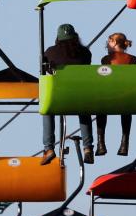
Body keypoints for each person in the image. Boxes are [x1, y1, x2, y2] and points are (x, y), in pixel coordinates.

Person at [41, 23, 95, 163]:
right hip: (79, 96)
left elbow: (44, 72)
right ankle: (88, 147)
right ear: (75, 36)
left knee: (47, 110)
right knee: (84, 110)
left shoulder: (49, 52)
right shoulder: (85, 53)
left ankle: (49, 148)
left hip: (58, 97)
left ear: (58, 38)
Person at [96, 32, 136, 157]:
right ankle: (124, 144)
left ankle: (101, 144)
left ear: (113, 42)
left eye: (108, 43)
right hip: (127, 96)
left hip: (109, 96)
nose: (107, 46)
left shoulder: (106, 59)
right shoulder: (134, 59)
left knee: (100, 108)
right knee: (126, 109)